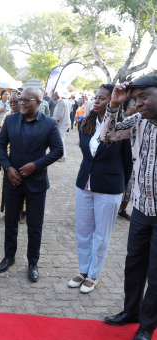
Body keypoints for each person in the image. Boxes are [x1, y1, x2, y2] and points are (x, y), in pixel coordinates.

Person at [100, 76, 157, 340]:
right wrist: (114, 105)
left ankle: (147, 327)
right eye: (135, 98)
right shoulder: (137, 122)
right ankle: (130, 312)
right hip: (140, 208)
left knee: (156, 273)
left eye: (143, 97)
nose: (138, 103)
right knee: (134, 264)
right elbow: (106, 136)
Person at [68, 83, 132, 295]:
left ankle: (94, 274)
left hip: (110, 187)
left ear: (114, 102)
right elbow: (87, 154)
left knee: (102, 235)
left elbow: (127, 162)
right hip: (84, 182)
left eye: (102, 98)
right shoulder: (85, 124)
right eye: (96, 97)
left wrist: (123, 188)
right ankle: (83, 270)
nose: (96, 101)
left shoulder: (123, 127)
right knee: (83, 231)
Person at [0, 87, 63, 282]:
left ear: (39, 103)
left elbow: (57, 151)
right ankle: (9, 257)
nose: (21, 103)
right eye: (20, 99)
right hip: (13, 181)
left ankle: (32, 262)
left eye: (27, 100)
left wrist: (36, 165)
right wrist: (8, 167)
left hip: (37, 183)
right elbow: (0, 145)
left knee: (35, 225)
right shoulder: (10, 120)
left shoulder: (49, 124)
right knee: (10, 222)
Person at [0, 91, 26, 224]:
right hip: (7, 158)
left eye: (15, 102)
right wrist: (0, 157)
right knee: (8, 184)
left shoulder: (26, 117)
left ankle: (23, 211)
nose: (12, 104)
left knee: (22, 183)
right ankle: (9, 210)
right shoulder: (7, 116)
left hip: (22, 157)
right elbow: (2, 140)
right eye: (10, 102)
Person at [117, 96, 138, 221]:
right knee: (123, 186)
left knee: (129, 188)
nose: (139, 105)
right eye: (135, 103)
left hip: (134, 161)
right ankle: (115, 208)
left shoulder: (142, 121)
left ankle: (121, 209)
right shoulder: (123, 122)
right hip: (123, 160)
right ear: (127, 107)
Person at [53, 91, 71, 162]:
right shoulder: (68, 101)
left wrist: (56, 124)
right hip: (65, 122)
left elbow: (59, 115)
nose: (55, 95)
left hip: (61, 123)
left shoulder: (62, 102)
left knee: (60, 140)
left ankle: (63, 156)